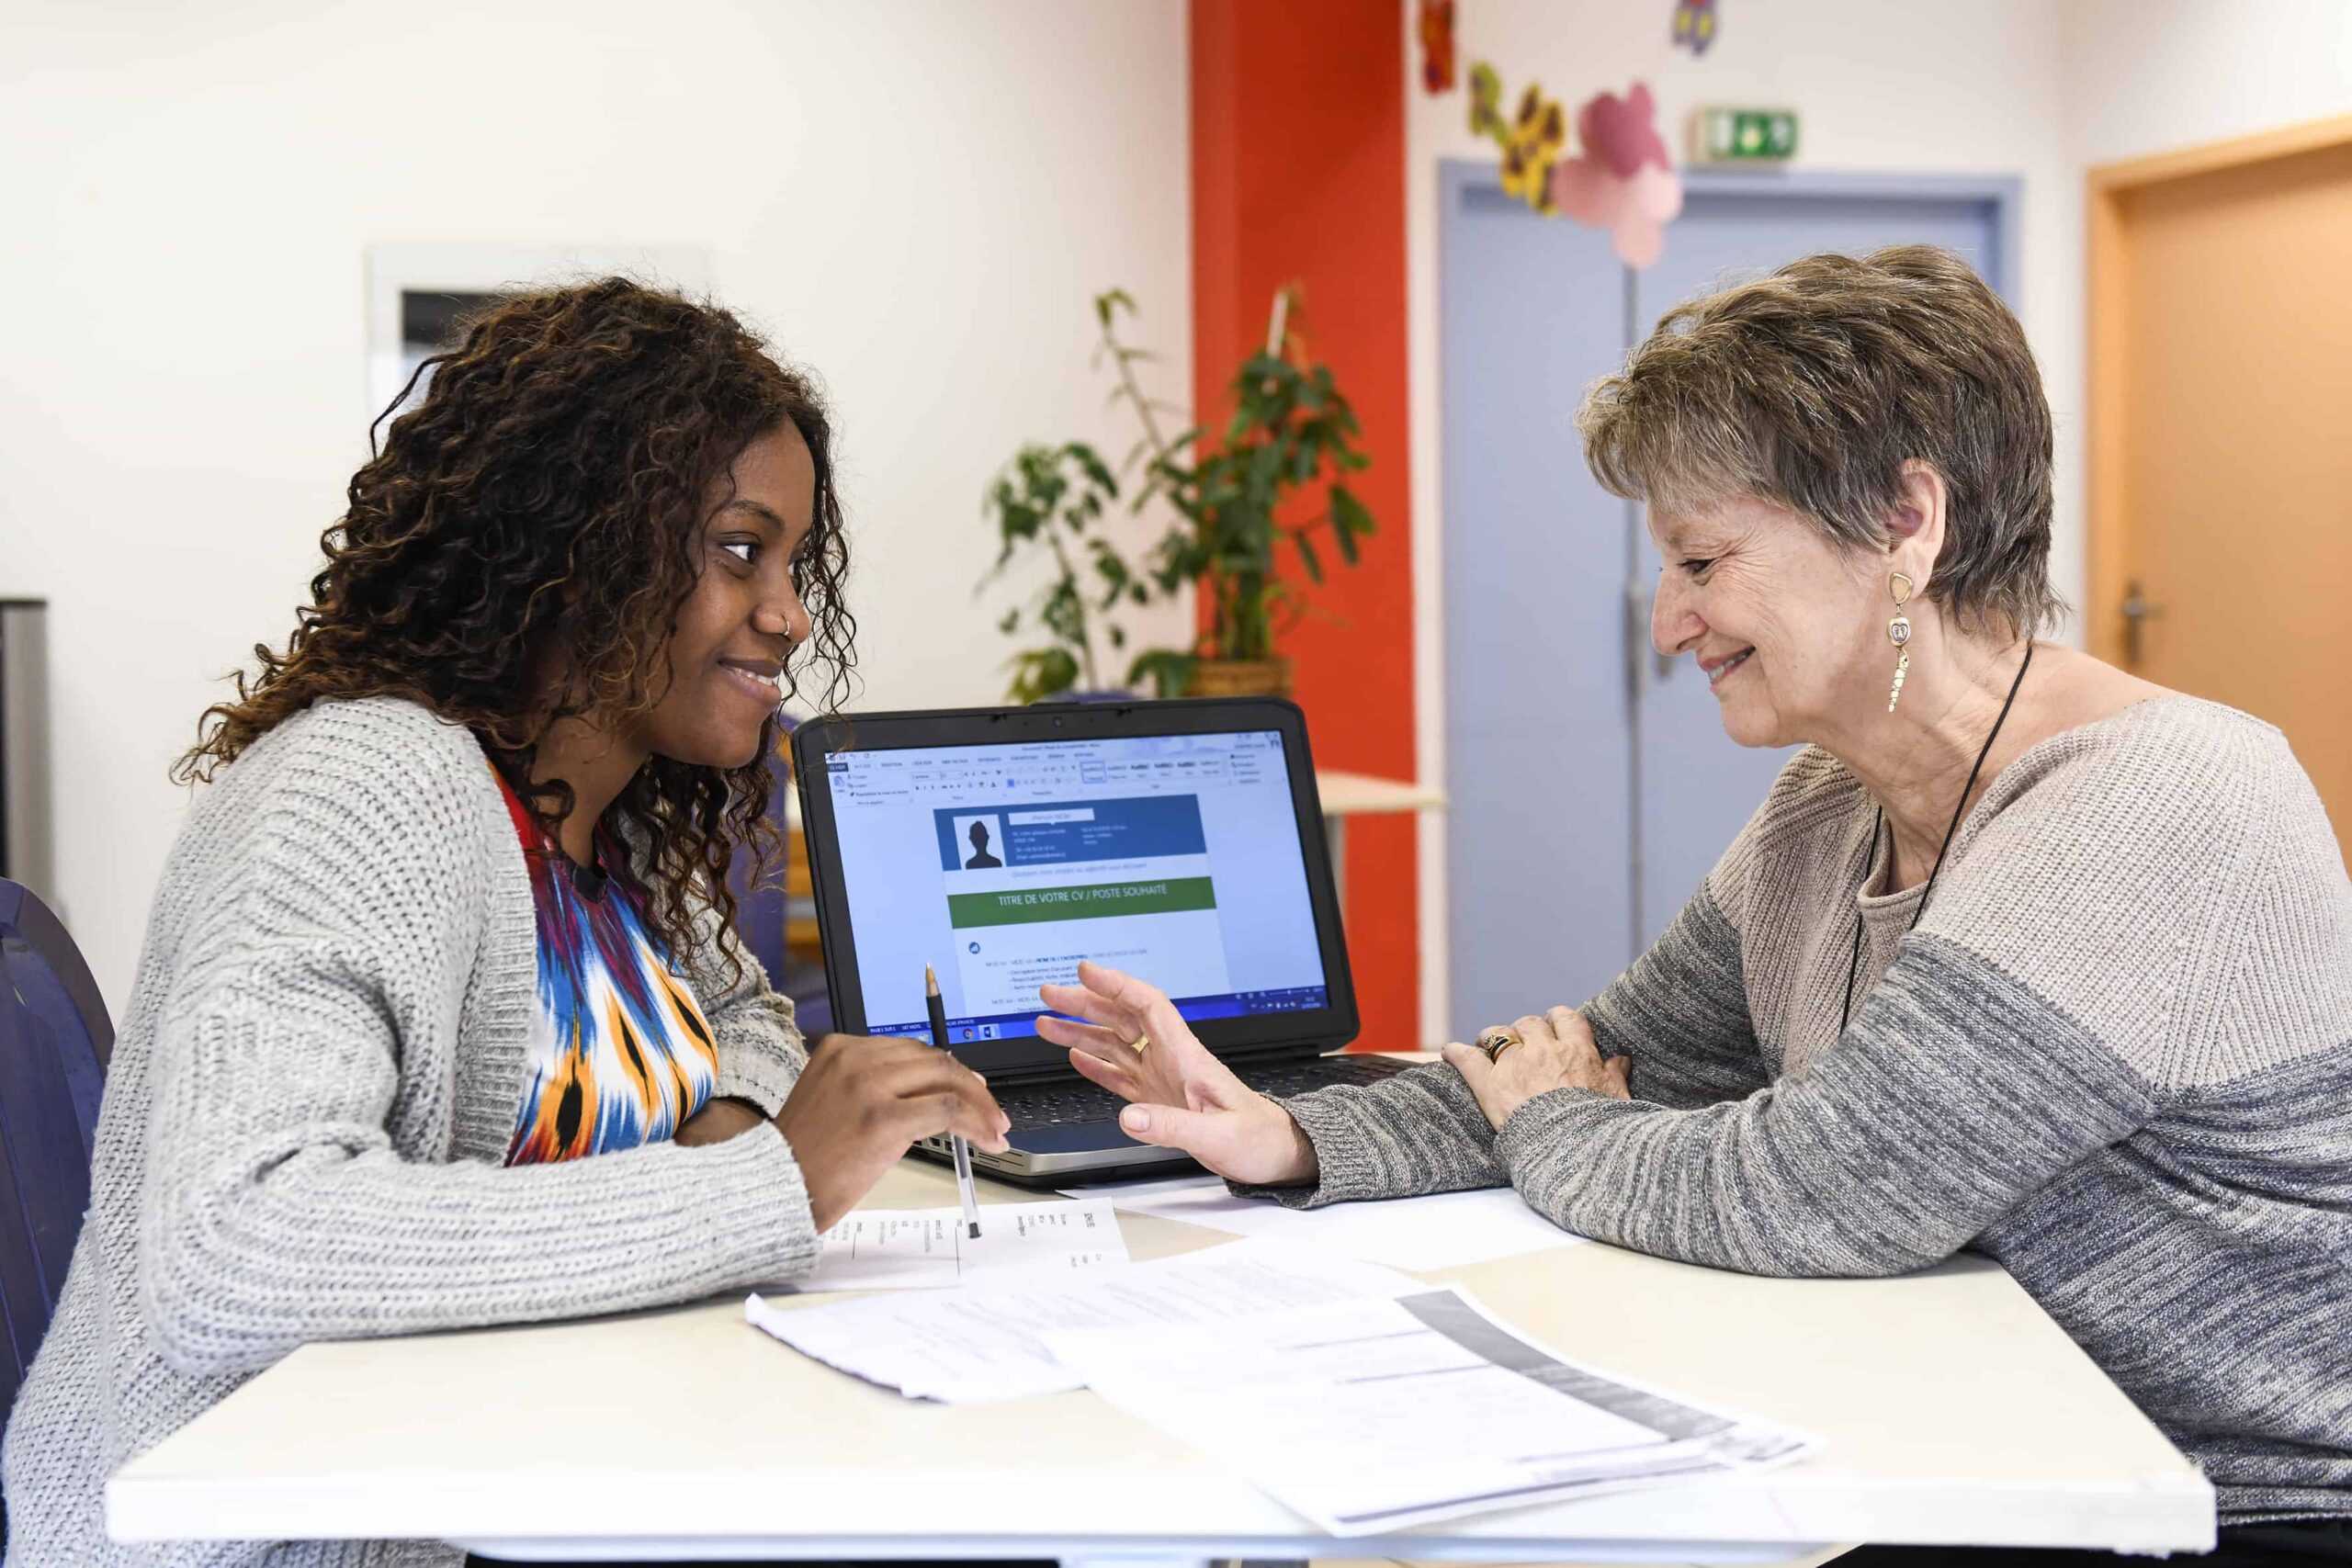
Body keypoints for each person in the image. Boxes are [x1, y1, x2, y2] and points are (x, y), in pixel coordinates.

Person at [1035, 248, 2352, 1562]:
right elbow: (1606, 1057)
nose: (1671, 623)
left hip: (2226, 1505)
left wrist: (1554, 1119)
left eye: (1704, 561)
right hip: (1976, 1453)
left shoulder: (2154, 797)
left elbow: (1816, 1191)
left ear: (1907, 523)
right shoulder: (1823, 808)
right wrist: (1293, 1136)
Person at [0, 279, 1010, 1568]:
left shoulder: (615, 823)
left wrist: (739, 1121)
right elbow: (235, 1244)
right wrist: (765, 1187)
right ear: (583, 547)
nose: (791, 613)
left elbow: (748, 1020)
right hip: (270, 1543)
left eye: (794, 562)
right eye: (739, 549)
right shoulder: (367, 789)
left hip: (526, 1468)